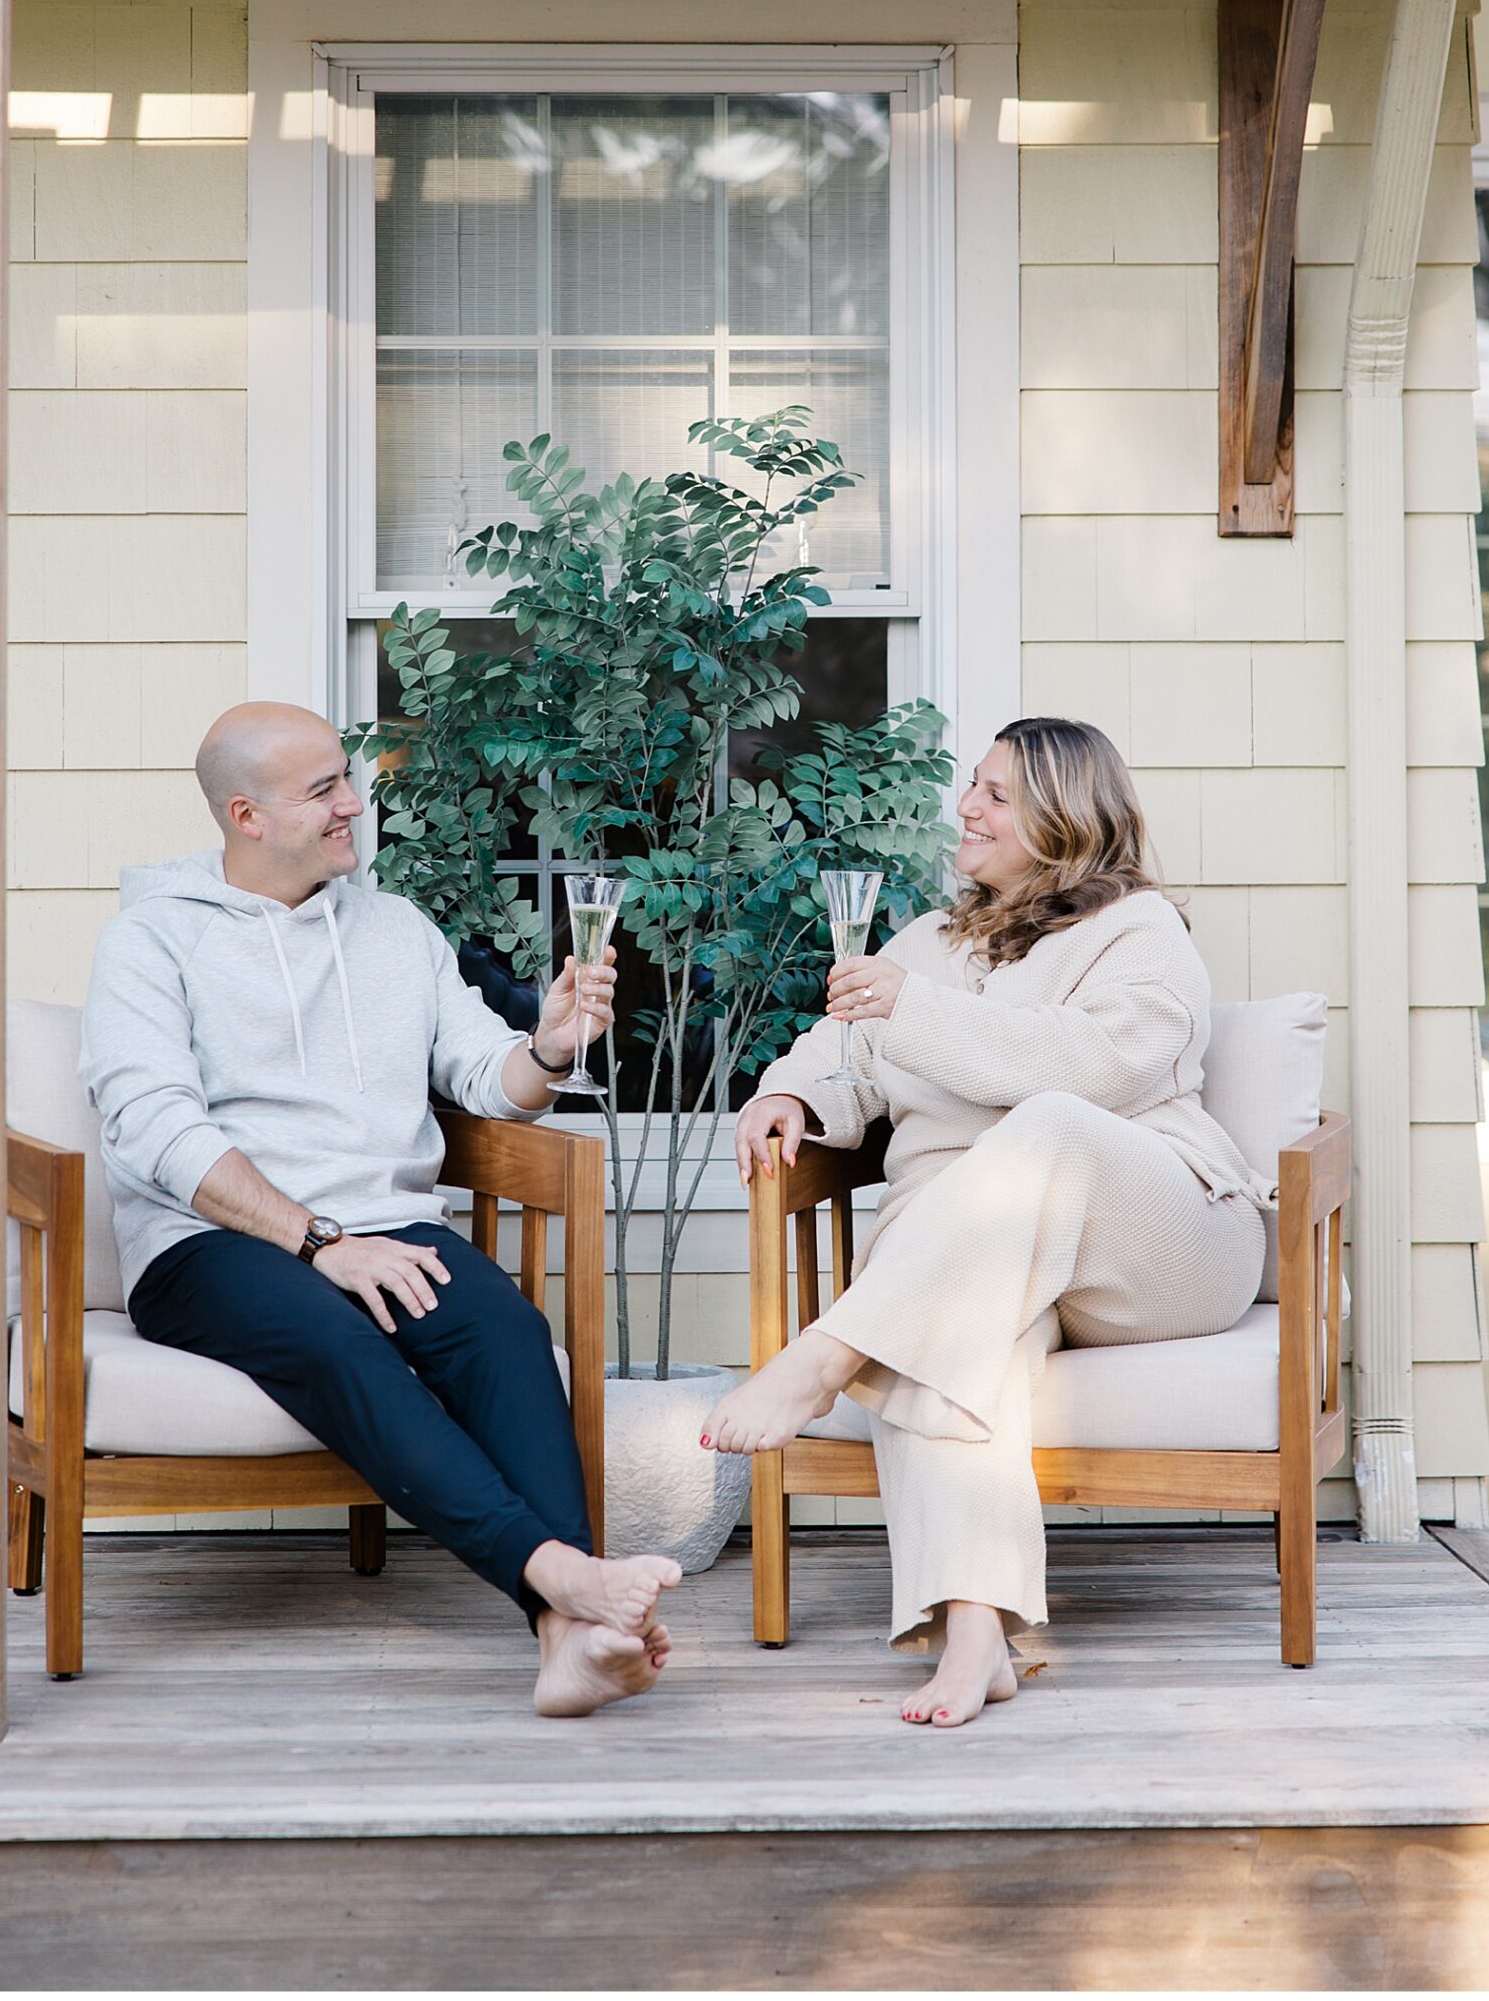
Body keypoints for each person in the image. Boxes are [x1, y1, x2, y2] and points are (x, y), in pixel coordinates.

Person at [80, 700, 680, 1719]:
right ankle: (562, 1575)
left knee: (502, 1326)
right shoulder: (150, 940)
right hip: (211, 1242)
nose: (355, 803)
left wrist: (549, 1043)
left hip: (384, 1228)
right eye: (325, 790)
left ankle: (567, 1638)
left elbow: (485, 1079)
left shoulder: (396, 929)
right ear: (247, 814)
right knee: (337, 1341)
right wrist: (321, 1242)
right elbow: (151, 1128)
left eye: (346, 778)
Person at [702, 717, 1268, 1730]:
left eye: (997, 793)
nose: (967, 807)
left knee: (1049, 1127)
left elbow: (1086, 1071)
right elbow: (841, 1052)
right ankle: (976, 1637)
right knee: (957, 1334)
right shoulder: (929, 941)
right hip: (983, 1255)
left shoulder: (1140, 933)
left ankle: (826, 1352)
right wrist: (787, 1097)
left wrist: (908, 1010)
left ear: (1064, 816)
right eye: (972, 786)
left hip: (1162, 1239)